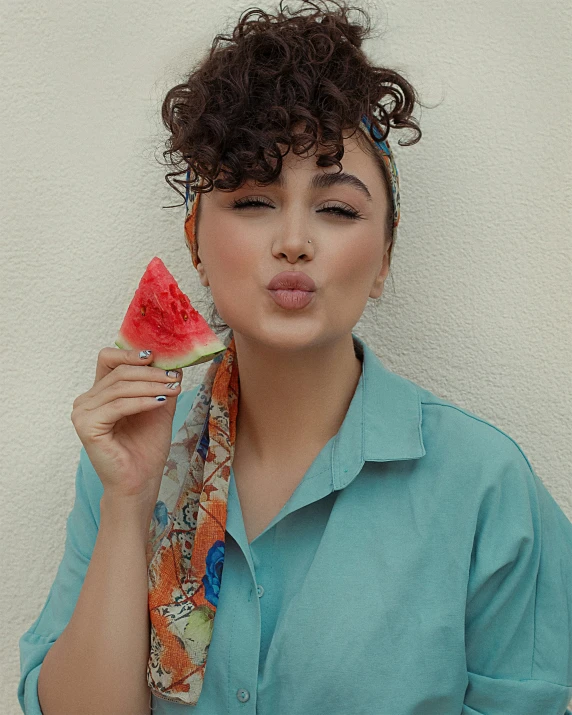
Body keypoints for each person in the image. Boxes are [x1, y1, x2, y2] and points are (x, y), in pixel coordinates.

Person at [18, 1, 572, 713]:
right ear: (195, 238)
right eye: (253, 200)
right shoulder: (126, 464)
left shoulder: (488, 489)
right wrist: (129, 502)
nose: (294, 240)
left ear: (383, 256)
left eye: (337, 209)